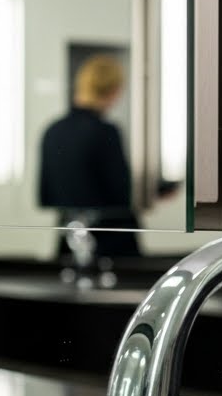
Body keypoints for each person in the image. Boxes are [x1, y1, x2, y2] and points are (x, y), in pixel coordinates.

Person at [37, 55, 145, 259]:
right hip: (112, 246)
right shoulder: (106, 132)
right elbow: (121, 194)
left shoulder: (52, 131)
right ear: (114, 90)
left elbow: (46, 195)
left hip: (69, 242)